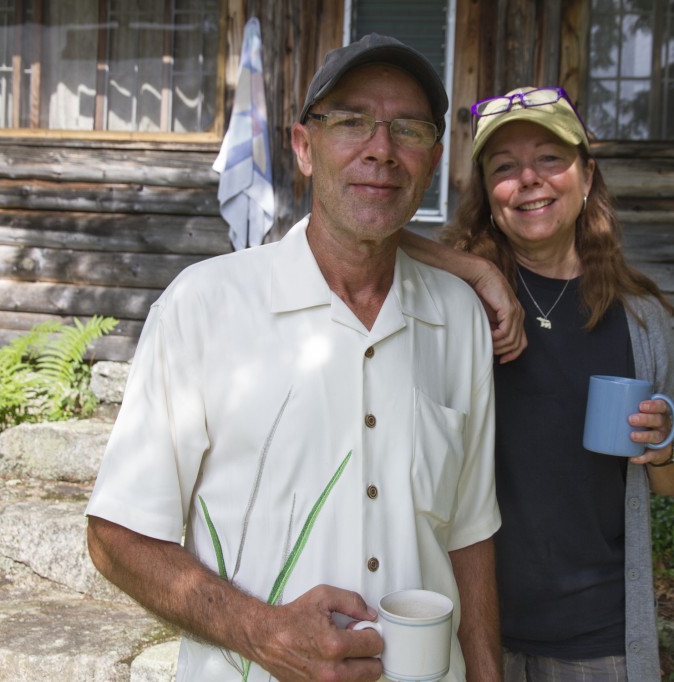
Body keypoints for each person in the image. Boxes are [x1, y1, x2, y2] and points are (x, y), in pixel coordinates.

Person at [85, 34, 503, 682]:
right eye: (351, 121)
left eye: (409, 129)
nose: (381, 149)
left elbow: (470, 535)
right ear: (304, 149)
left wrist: (487, 672)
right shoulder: (204, 307)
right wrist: (266, 635)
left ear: (435, 159)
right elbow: (117, 537)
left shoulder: (459, 319)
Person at [403, 86, 674, 681]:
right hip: (466, 623)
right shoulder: (452, 302)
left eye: (549, 159)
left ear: (586, 176)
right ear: (488, 195)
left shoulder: (639, 318)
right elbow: (348, 233)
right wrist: (478, 269)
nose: (529, 180)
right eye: (504, 168)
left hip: (595, 634)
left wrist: (662, 444)